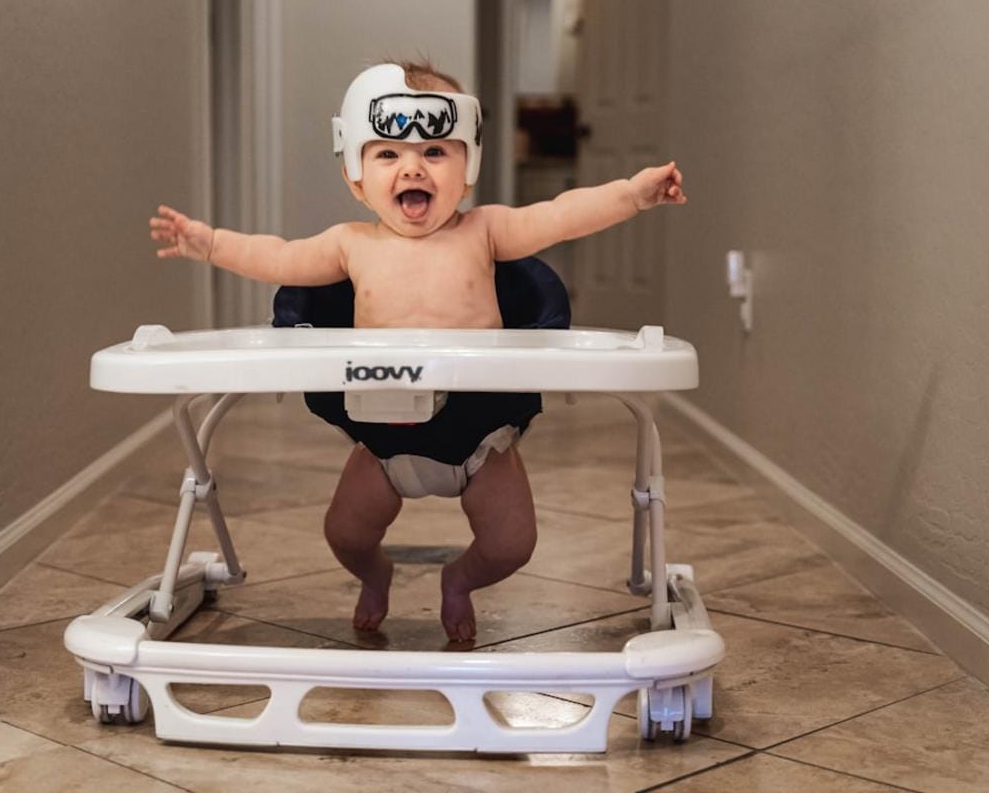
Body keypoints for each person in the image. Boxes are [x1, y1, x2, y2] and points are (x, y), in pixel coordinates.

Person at [149, 60, 686, 642]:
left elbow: (558, 216)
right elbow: (276, 257)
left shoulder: (485, 231)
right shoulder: (349, 245)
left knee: (513, 545)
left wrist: (632, 195)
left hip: (481, 438)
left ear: (468, 166)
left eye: (435, 151)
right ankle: (375, 575)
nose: (412, 166)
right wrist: (209, 244)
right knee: (345, 536)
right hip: (382, 439)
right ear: (356, 174)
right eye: (387, 154)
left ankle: (460, 580)